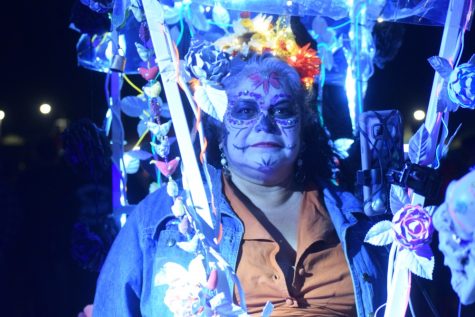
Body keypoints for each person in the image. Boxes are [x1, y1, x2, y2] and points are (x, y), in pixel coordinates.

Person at [93, 52, 389, 316]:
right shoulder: (162, 216)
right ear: (219, 129)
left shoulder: (358, 216)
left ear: (303, 125)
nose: (264, 125)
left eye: (282, 110)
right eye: (245, 111)